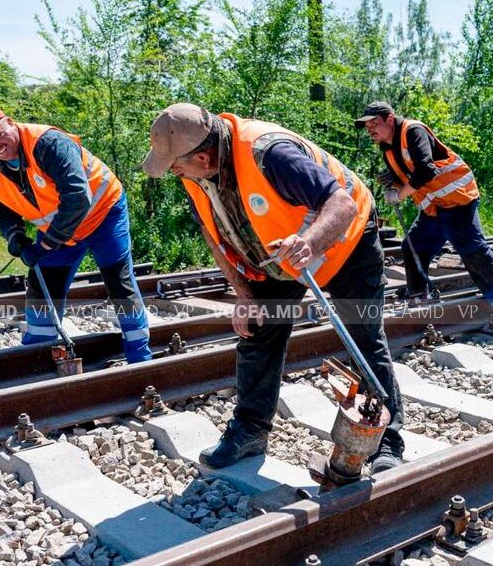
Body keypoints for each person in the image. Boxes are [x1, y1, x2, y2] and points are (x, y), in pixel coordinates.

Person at [140, 103, 405, 472]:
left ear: (201, 157)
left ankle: (387, 440)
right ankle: (250, 430)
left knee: (362, 336)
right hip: (277, 254)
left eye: (175, 166)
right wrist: (244, 296)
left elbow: (341, 203)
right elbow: (212, 236)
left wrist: (309, 244)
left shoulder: (269, 153)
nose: (174, 172)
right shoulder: (198, 177)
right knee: (257, 330)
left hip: (348, 240)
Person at [0, 105, 151, 364]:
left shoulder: (48, 143)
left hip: (102, 215)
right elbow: (0, 208)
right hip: (59, 229)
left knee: (119, 284)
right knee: (42, 288)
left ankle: (140, 357)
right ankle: (38, 357)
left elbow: (77, 198)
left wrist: (47, 244)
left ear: (9, 122)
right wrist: (15, 236)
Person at [356, 101, 493, 335]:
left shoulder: (413, 131)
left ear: (390, 119)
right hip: (434, 208)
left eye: (375, 123)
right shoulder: (387, 149)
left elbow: (425, 169)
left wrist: (400, 194)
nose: (370, 129)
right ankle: (419, 300)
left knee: (475, 253)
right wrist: (392, 185)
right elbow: (406, 179)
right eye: (367, 126)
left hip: (458, 202)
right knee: (413, 247)